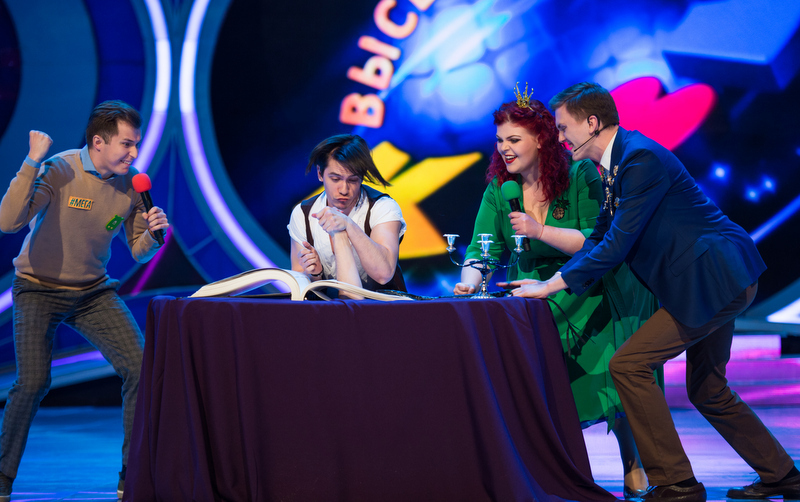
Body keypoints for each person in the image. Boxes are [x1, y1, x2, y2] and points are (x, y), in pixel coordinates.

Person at [506, 82, 799, 502]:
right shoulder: (618, 163)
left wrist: (552, 285)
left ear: (592, 123)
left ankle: (676, 482)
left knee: (629, 366)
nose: (560, 136)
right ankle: (782, 474)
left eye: (564, 127)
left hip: (712, 279)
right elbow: (600, 236)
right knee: (708, 388)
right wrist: (552, 280)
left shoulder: (639, 159)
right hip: (717, 279)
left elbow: (616, 245)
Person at [453, 91, 657, 498]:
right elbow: (481, 247)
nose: (505, 148)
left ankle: (632, 461)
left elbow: (596, 242)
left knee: (610, 381)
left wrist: (539, 230)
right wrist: (470, 280)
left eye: (514, 139)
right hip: (531, 296)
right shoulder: (500, 189)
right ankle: (557, 470)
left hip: (585, 286)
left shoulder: (579, 174)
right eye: (500, 140)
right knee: (540, 388)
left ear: (542, 139)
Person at [0, 100, 169, 501]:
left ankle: (131, 475)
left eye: (136, 144)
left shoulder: (133, 184)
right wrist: (31, 161)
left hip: (92, 293)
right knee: (33, 382)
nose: (134, 153)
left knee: (141, 368)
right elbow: (8, 222)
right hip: (37, 288)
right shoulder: (59, 168)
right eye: (127, 144)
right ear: (98, 142)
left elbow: (138, 250)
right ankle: (2, 476)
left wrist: (153, 236)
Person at [287, 134, 406, 296]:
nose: (344, 190)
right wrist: (315, 274)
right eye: (335, 179)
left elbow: (383, 274)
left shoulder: (383, 207)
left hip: (385, 307)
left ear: (362, 177)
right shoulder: (303, 214)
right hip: (328, 307)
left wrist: (348, 225)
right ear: (320, 173)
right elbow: (299, 281)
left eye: (352, 180)